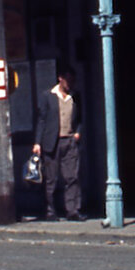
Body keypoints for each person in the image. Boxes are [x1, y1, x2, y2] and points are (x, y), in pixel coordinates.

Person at [32, 68, 84, 221]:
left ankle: (72, 210)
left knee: (72, 177)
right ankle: (50, 210)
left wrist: (77, 132)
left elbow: (80, 117)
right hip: (51, 142)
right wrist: (37, 142)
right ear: (60, 78)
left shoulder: (75, 97)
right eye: (68, 80)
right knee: (51, 179)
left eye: (73, 81)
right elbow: (41, 119)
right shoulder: (48, 96)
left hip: (69, 140)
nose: (70, 84)